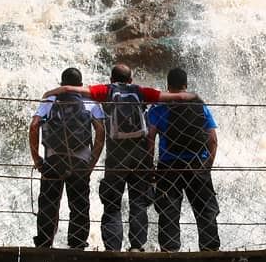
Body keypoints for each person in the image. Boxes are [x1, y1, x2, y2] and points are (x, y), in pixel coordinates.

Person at [45, 63, 194, 251]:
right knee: (138, 201)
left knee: (112, 202)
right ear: (130, 80)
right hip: (139, 153)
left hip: (116, 154)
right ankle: (137, 246)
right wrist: (193, 98)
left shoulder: (106, 91)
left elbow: (72, 89)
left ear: (111, 79)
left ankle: (112, 247)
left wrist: (53, 92)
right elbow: (174, 96)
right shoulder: (140, 92)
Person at [29, 67, 104, 249]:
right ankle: (77, 244)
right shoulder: (90, 100)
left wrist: (36, 158)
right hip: (80, 160)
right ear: (80, 84)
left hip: (53, 158)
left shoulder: (50, 99)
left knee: (48, 203)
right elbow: (100, 131)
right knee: (79, 204)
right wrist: (92, 161)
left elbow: (34, 126)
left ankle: (44, 243)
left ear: (61, 84)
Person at [147, 67, 220, 252]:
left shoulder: (159, 108)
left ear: (168, 86)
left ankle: (170, 251)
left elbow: (150, 140)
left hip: (169, 165)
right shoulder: (199, 106)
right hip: (197, 163)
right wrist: (207, 166)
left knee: (168, 210)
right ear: (186, 85)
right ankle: (210, 250)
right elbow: (213, 140)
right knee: (205, 210)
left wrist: (150, 168)